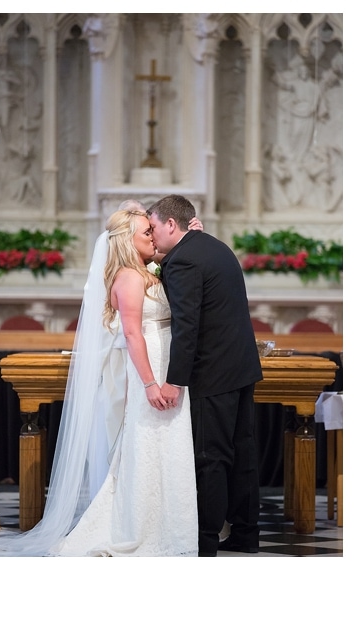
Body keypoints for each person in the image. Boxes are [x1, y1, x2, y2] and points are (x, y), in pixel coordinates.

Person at [0, 202, 199, 556]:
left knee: (167, 447)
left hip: (166, 364)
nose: (153, 236)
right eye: (147, 232)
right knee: (147, 446)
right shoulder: (129, 278)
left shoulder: (148, 271)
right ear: (129, 240)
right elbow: (132, 334)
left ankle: (171, 526)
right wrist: (150, 384)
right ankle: (143, 526)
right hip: (151, 371)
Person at [148, 194, 263, 556]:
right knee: (242, 452)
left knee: (211, 457)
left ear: (171, 224)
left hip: (212, 372)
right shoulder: (214, 246)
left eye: (153, 227)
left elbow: (187, 326)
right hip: (241, 366)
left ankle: (206, 540)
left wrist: (174, 380)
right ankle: (246, 533)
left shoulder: (181, 261)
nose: (151, 236)